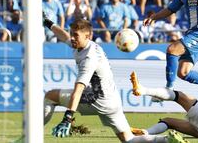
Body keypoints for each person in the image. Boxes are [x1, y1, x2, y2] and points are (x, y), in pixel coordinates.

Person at [42, 17, 187, 143]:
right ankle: (167, 140)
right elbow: (64, 36)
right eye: (72, 34)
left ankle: (33, 133)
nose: (72, 38)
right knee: (129, 140)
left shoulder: (89, 58)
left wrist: (68, 117)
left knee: (50, 96)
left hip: (97, 99)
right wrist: (49, 23)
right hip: (112, 100)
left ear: (88, 36)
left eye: (75, 35)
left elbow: (78, 89)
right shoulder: (84, 44)